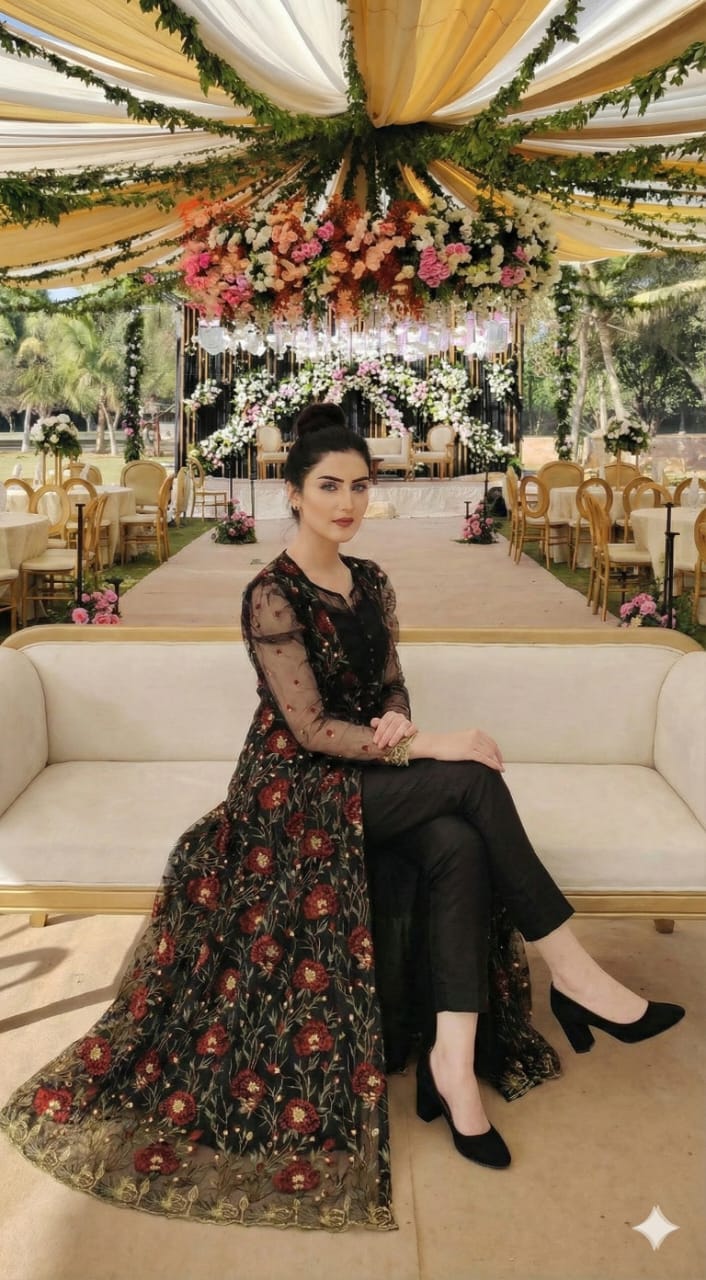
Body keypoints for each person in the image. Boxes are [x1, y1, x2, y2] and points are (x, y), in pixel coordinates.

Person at [0, 403, 684, 1232]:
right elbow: (310, 729)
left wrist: (398, 720)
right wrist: (428, 745)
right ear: (293, 492)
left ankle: (453, 1065)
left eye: (360, 486)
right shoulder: (271, 594)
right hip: (292, 789)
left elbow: (390, 682)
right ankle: (575, 976)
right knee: (470, 780)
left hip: (365, 770)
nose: (347, 502)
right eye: (328, 486)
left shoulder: (372, 581)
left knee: (458, 843)